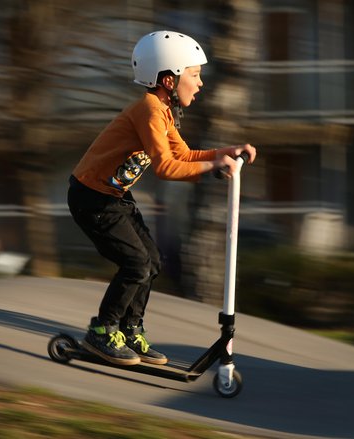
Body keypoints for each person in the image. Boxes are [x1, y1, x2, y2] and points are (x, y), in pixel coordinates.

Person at [67, 30, 256, 366]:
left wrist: (228, 151)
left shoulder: (163, 111)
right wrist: (215, 165)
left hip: (113, 196)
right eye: (195, 75)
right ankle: (102, 331)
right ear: (169, 79)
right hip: (91, 198)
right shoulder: (150, 111)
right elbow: (167, 168)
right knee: (135, 263)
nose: (200, 84)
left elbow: (184, 153)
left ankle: (129, 329)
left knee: (151, 260)